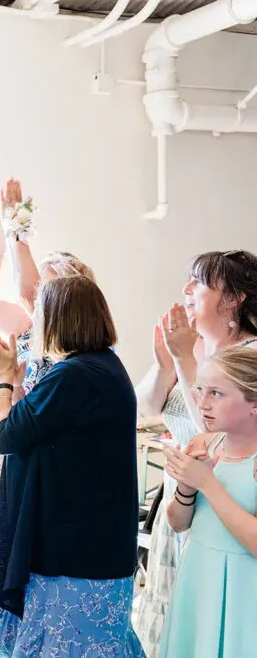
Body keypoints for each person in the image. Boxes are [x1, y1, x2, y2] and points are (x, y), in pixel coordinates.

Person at [0, 276, 143, 657]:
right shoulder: (102, 366)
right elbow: (33, 425)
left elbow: (5, 436)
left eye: (39, 312)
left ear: (59, 318)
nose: (34, 322)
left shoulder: (73, 375)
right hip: (95, 541)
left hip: (74, 551)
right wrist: (17, 382)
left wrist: (2, 379)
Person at [0, 178, 96, 631]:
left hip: (46, 447)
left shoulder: (75, 341)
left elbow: (26, 286)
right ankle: (9, 622)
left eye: (50, 279)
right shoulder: (28, 325)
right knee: (2, 533)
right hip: (9, 432)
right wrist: (3, 234)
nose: (38, 288)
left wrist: (16, 229)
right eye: (41, 279)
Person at [133, 250, 257, 655]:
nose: (187, 289)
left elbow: (216, 431)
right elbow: (145, 408)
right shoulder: (193, 345)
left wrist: (185, 359)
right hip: (185, 496)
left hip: (231, 495)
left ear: (233, 298)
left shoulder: (249, 356)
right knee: (181, 618)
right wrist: (165, 362)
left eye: (199, 282)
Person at [158, 346, 257, 657]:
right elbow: (178, 523)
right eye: (201, 390)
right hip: (199, 576)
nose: (202, 404)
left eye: (217, 393)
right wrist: (186, 489)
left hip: (245, 588)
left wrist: (206, 483)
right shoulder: (204, 444)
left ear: (254, 403)